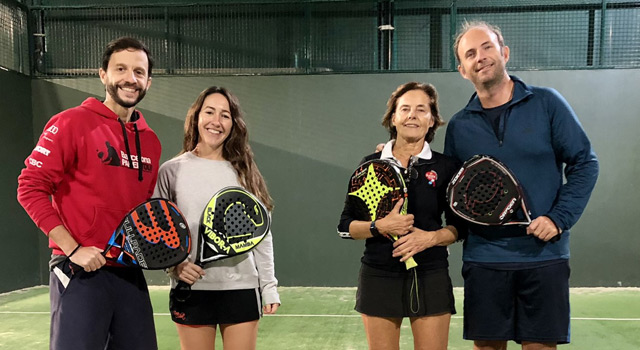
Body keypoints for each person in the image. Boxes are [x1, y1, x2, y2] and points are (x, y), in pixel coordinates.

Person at [445, 21, 599, 350]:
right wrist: (396, 152)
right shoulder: (459, 126)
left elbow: (585, 162)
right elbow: (453, 190)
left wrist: (559, 218)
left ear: (504, 52)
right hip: (484, 259)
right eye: (470, 54)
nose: (480, 57)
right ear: (462, 70)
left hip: (544, 258)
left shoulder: (547, 103)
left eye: (487, 47)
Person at [17, 37, 160, 349]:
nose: (130, 79)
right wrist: (73, 249)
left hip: (129, 273)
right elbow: (30, 187)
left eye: (138, 71)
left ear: (148, 81)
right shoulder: (70, 123)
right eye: (120, 69)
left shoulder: (151, 142)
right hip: (79, 271)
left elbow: (142, 208)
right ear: (103, 75)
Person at [338, 82, 467, 350]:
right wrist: (379, 226)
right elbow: (345, 226)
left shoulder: (447, 167)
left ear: (432, 120)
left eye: (422, 110)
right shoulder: (370, 164)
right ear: (393, 118)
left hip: (430, 274)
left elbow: (460, 228)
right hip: (379, 274)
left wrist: (429, 239)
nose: (412, 115)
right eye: (405, 109)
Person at [154, 86, 280, 350]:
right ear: (196, 117)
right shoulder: (171, 171)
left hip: (241, 290)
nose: (216, 121)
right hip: (192, 291)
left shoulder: (244, 171)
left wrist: (268, 286)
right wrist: (175, 266)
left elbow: (261, 234)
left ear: (233, 124)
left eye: (225, 115)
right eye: (209, 112)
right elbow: (160, 230)